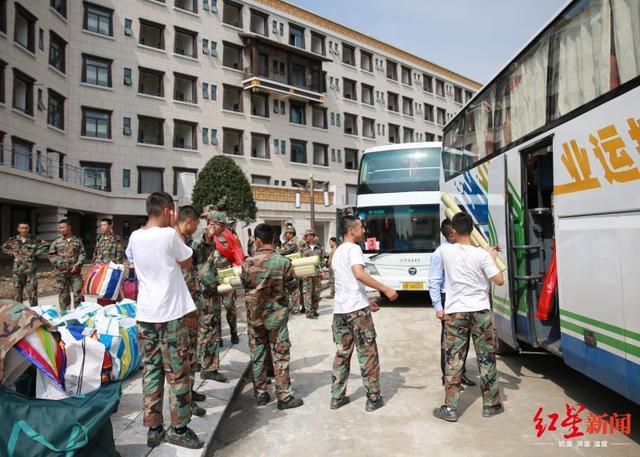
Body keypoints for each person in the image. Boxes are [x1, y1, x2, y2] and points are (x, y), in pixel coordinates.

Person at [128, 192, 203, 449]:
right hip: (171, 315)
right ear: (169, 210)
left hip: (145, 315)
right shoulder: (169, 234)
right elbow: (187, 259)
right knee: (179, 373)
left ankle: (154, 428)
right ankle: (179, 428)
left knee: (152, 371)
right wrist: (172, 226)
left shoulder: (134, 236)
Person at [433, 212, 505, 423]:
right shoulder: (481, 255)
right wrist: (490, 258)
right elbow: (499, 280)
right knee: (486, 357)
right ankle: (491, 405)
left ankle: (450, 408)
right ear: (472, 231)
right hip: (480, 311)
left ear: (452, 232)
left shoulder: (445, 252)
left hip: (456, 312)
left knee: (454, 360)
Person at [330, 215, 398, 412]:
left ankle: (337, 397)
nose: (364, 231)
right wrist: (385, 289)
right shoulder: (354, 249)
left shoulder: (337, 252)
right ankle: (373, 398)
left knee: (342, 354)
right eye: (360, 227)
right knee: (367, 354)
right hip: (356, 313)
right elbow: (358, 274)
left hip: (340, 311)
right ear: (351, 230)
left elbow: (344, 283)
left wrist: (365, 300)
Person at [241, 223, 304, 410]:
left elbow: (245, 286)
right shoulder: (284, 262)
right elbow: (293, 287)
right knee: (280, 356)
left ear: (257, 240)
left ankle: (261, 394)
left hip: (255, 318)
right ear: (274, 240)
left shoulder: (247, 264)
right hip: (276, 318)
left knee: (258, 356)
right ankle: (284, 397)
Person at [429, 220, 476, 388]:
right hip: (446, 298)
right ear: (452, 234)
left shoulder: (463, 249)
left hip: (462, 298)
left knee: (465, 338)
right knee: (449, 341)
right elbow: (434, 282)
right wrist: (438, 307)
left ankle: (461, 374)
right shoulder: (440, 253)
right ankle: (447, 377)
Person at [191, 209, 228, 383]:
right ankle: (209, 368)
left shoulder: (210, 241)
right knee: (209, 331)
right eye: (222, 226)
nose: (224, 230)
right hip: (205, 294)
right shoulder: (203, 241)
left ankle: (201, 362)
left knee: (206, 330)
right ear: (213, 224)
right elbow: (202, 268)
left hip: (208, 292)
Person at [177, 206, 207, 418]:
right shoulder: (176, 242)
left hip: (191, 307)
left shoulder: (184, 242)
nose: (196, 228)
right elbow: (184, 279)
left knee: (191, 355)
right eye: (196, 224)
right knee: (186, 356)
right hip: (184, 310)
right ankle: (185, 401)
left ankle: (189, 391)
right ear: (189, 221)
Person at [208, 210, 240, 346]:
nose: (224, 227)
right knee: (215, 309)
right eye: (222, 224)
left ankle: (233, 332)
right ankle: (218, 337)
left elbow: (237, 253)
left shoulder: (229, 237)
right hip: (213, 277)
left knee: (229, 306)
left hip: (227, 275)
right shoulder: (206, 238)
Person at [1, 221, 49, 306]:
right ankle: (20, 313)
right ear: (18, 229)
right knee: (18, 294)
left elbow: (46, 246)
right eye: (22, 228)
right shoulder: (13, 240)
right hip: (18, 271)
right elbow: (4, 247)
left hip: (30, 270)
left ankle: (34, 312)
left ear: (29, 229)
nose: (24, 230)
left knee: (32, 294)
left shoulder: (34, 239)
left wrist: (36, 253)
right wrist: (13, 253)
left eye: (26, 228)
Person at [48, 219, 86, 311]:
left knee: (78, 294)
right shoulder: (56, 242)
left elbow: (82, 254)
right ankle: (66, 317)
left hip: (75, 273)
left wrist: (77, 264)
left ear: (69, 227)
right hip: (61, 274)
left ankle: (80, 315)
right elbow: (51, 255)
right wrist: (59, 263)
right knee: (64, 296)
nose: (61, 229)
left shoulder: (77, 241)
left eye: (63, 227)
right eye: (60, 228)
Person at [300, 229, 323, 319]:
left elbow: (321, 260)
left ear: (313, 236)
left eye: (309, 235)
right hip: (307, 273)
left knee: (316, 293)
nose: (308, 237)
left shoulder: (319, 247)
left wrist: (323, 271)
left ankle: (315, 310)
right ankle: (309, 312)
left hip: (316, 274)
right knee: (307, 293)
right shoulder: (302, 248)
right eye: (306, 236)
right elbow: (300, 260)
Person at [278, 226, 302, 313]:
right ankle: (293, 306)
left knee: (294, 288)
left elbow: (282, 251)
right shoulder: (289, 241)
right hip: (289, 267)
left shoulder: (292, 242)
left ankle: (295, 308)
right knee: (291, 288)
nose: (287, 235)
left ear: (292, 234)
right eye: (286, 233)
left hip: (292, 267)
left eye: (289, 233)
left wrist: (274, 251)